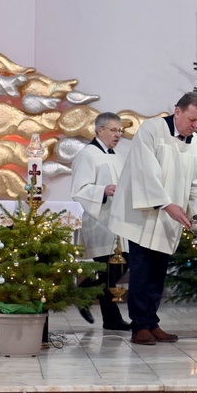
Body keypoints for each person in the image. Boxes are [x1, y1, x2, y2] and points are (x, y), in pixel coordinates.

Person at [109, 92, 197, 346]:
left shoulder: (196, 143)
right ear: (177, 111)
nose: (194, 126)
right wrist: (166, 203)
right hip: (144, 214)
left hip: (169, 218)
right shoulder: (152, 130)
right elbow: (145, 171)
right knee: (142, 271)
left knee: (158, 272)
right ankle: (139, 326)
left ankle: (152, 322)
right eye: (191, 119)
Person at [70, 112, 131, 331]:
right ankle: (105, 313)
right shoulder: (88, 154)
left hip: (118, 219)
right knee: (109, 270)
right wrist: (103, 190)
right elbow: (79, 189)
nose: (118, 134)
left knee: (119, 266)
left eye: (120, 130)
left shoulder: (116, 155)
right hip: (100, 220)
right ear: (99, 130)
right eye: (114, 130)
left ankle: (89, 296)